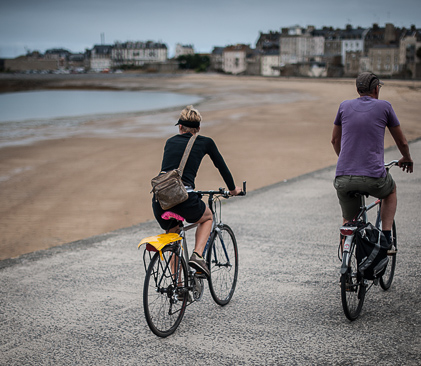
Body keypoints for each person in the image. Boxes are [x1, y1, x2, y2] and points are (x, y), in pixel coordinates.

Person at [152, 105, 242, 277]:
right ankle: (198, 256)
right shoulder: (205, 142)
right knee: (208, 217)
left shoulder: (170, 141)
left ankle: (177, 287)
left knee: (174, 236)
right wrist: (232, 189)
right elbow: (221, 167)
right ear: (198, 129)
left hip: (160, 200)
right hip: (184, 198)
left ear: (180, 127)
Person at [331, 72, 413, 249]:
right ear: (376, 89)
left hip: (344, 177)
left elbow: (335, 141)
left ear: (357, 89)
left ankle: (346, 258)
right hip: (373, 178)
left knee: (349, 219)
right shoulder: (384, 106)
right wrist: (406, 157)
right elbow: (402, 141)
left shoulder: (344, 106)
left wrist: (347, 160)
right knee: (390, 191)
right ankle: (386, 236)